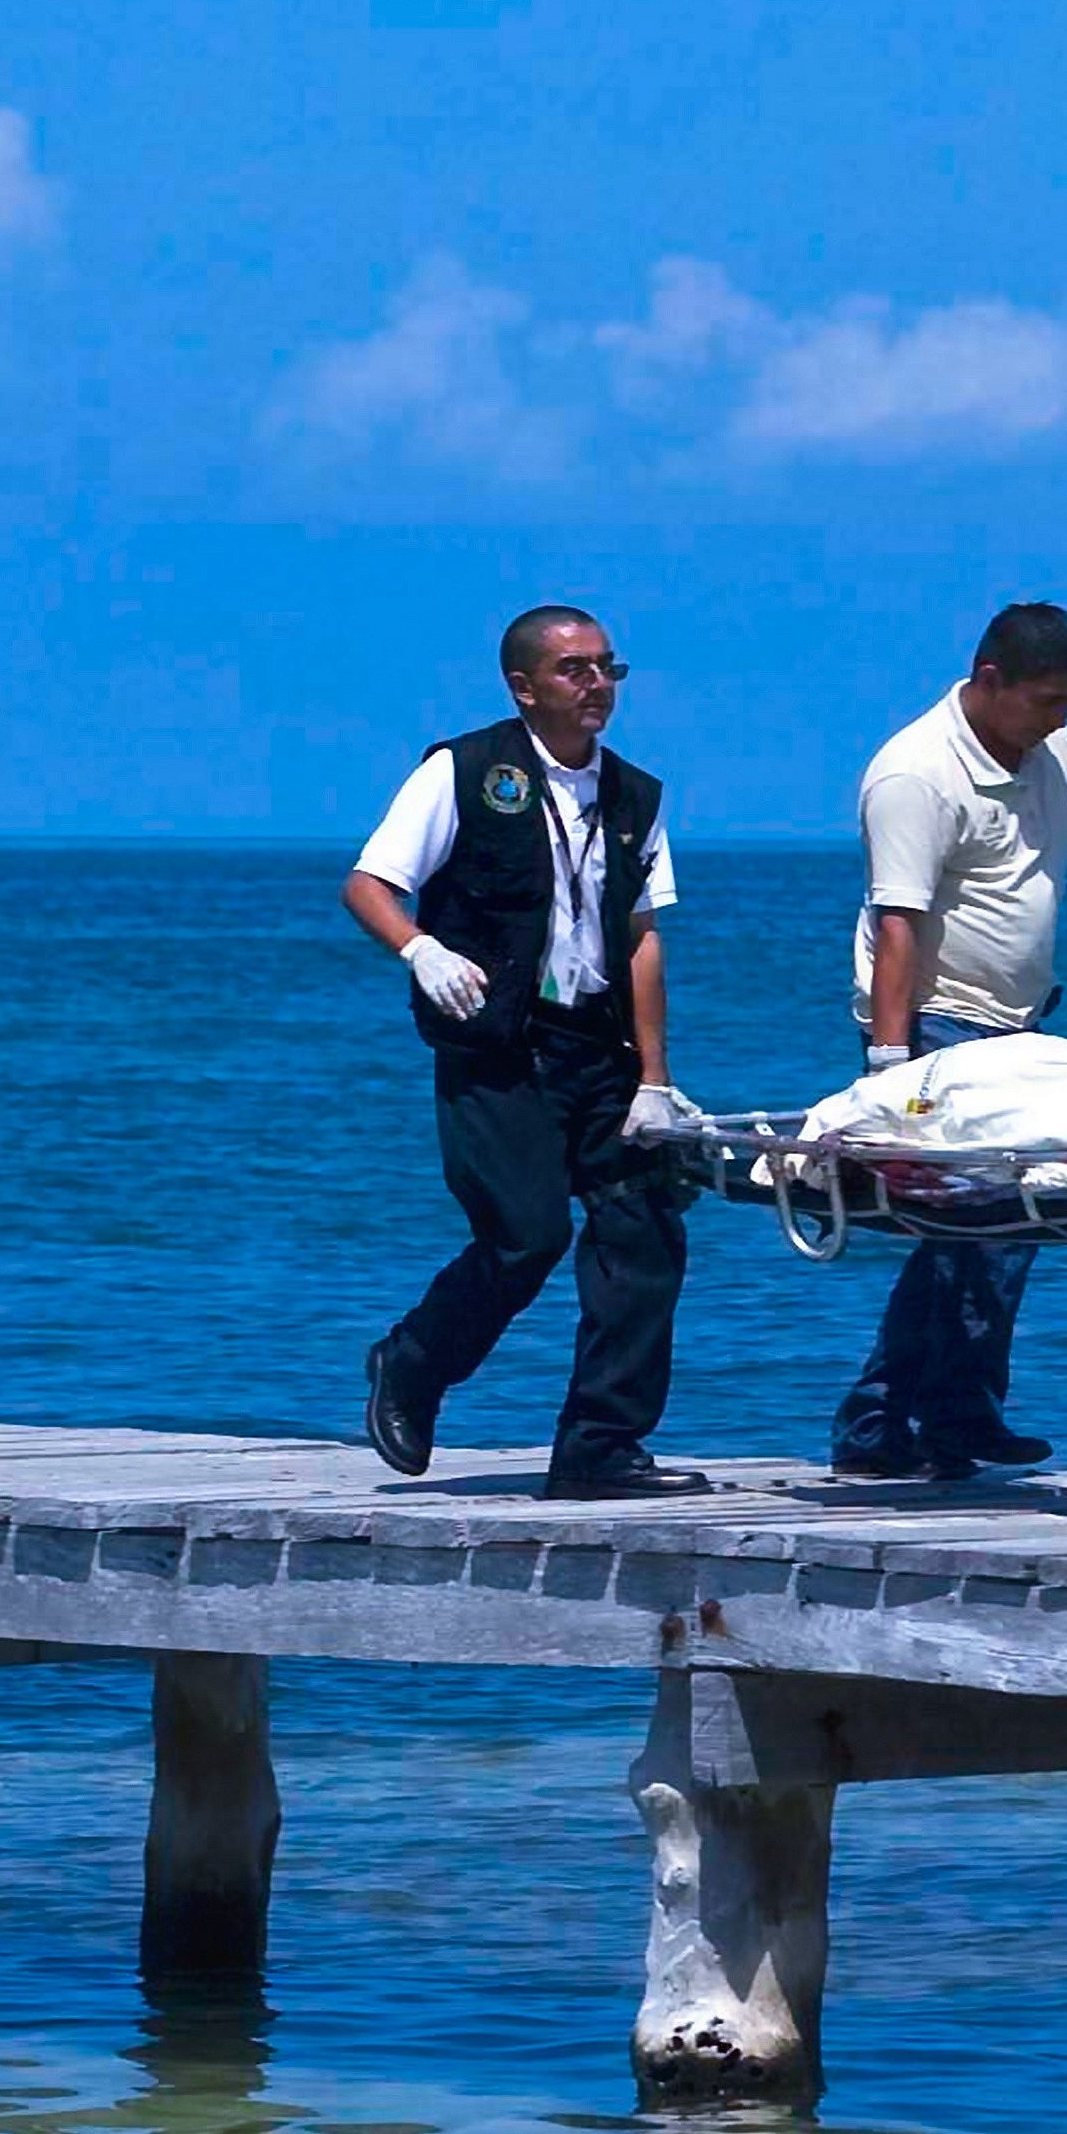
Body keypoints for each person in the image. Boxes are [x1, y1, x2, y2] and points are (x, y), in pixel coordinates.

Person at [343, 604, 714, 1501]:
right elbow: (369, 884)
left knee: (645, 1228)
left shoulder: (635, 795)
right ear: (524, 686)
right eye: (574, 670)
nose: (595, 687)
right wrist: (421, 952)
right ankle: (414, 1362)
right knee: (526, 1235)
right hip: (499, 1043)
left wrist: (656, 1078)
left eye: (606, 670)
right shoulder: (463, 773)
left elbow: (640, 936)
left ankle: (601, 1446)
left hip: (598, 1042)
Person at [828, 601, 1067, 1481]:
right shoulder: (915, 775)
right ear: (990, 681)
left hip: (1016, 1027)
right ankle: (879, 1428)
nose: (1061, 718)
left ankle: (957, 1419)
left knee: (1002, 1233)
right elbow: (899, 922)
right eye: (1047, 701)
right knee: (969, 1230)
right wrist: (890, 1066)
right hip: (935, 1032)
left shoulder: (1051, 749)